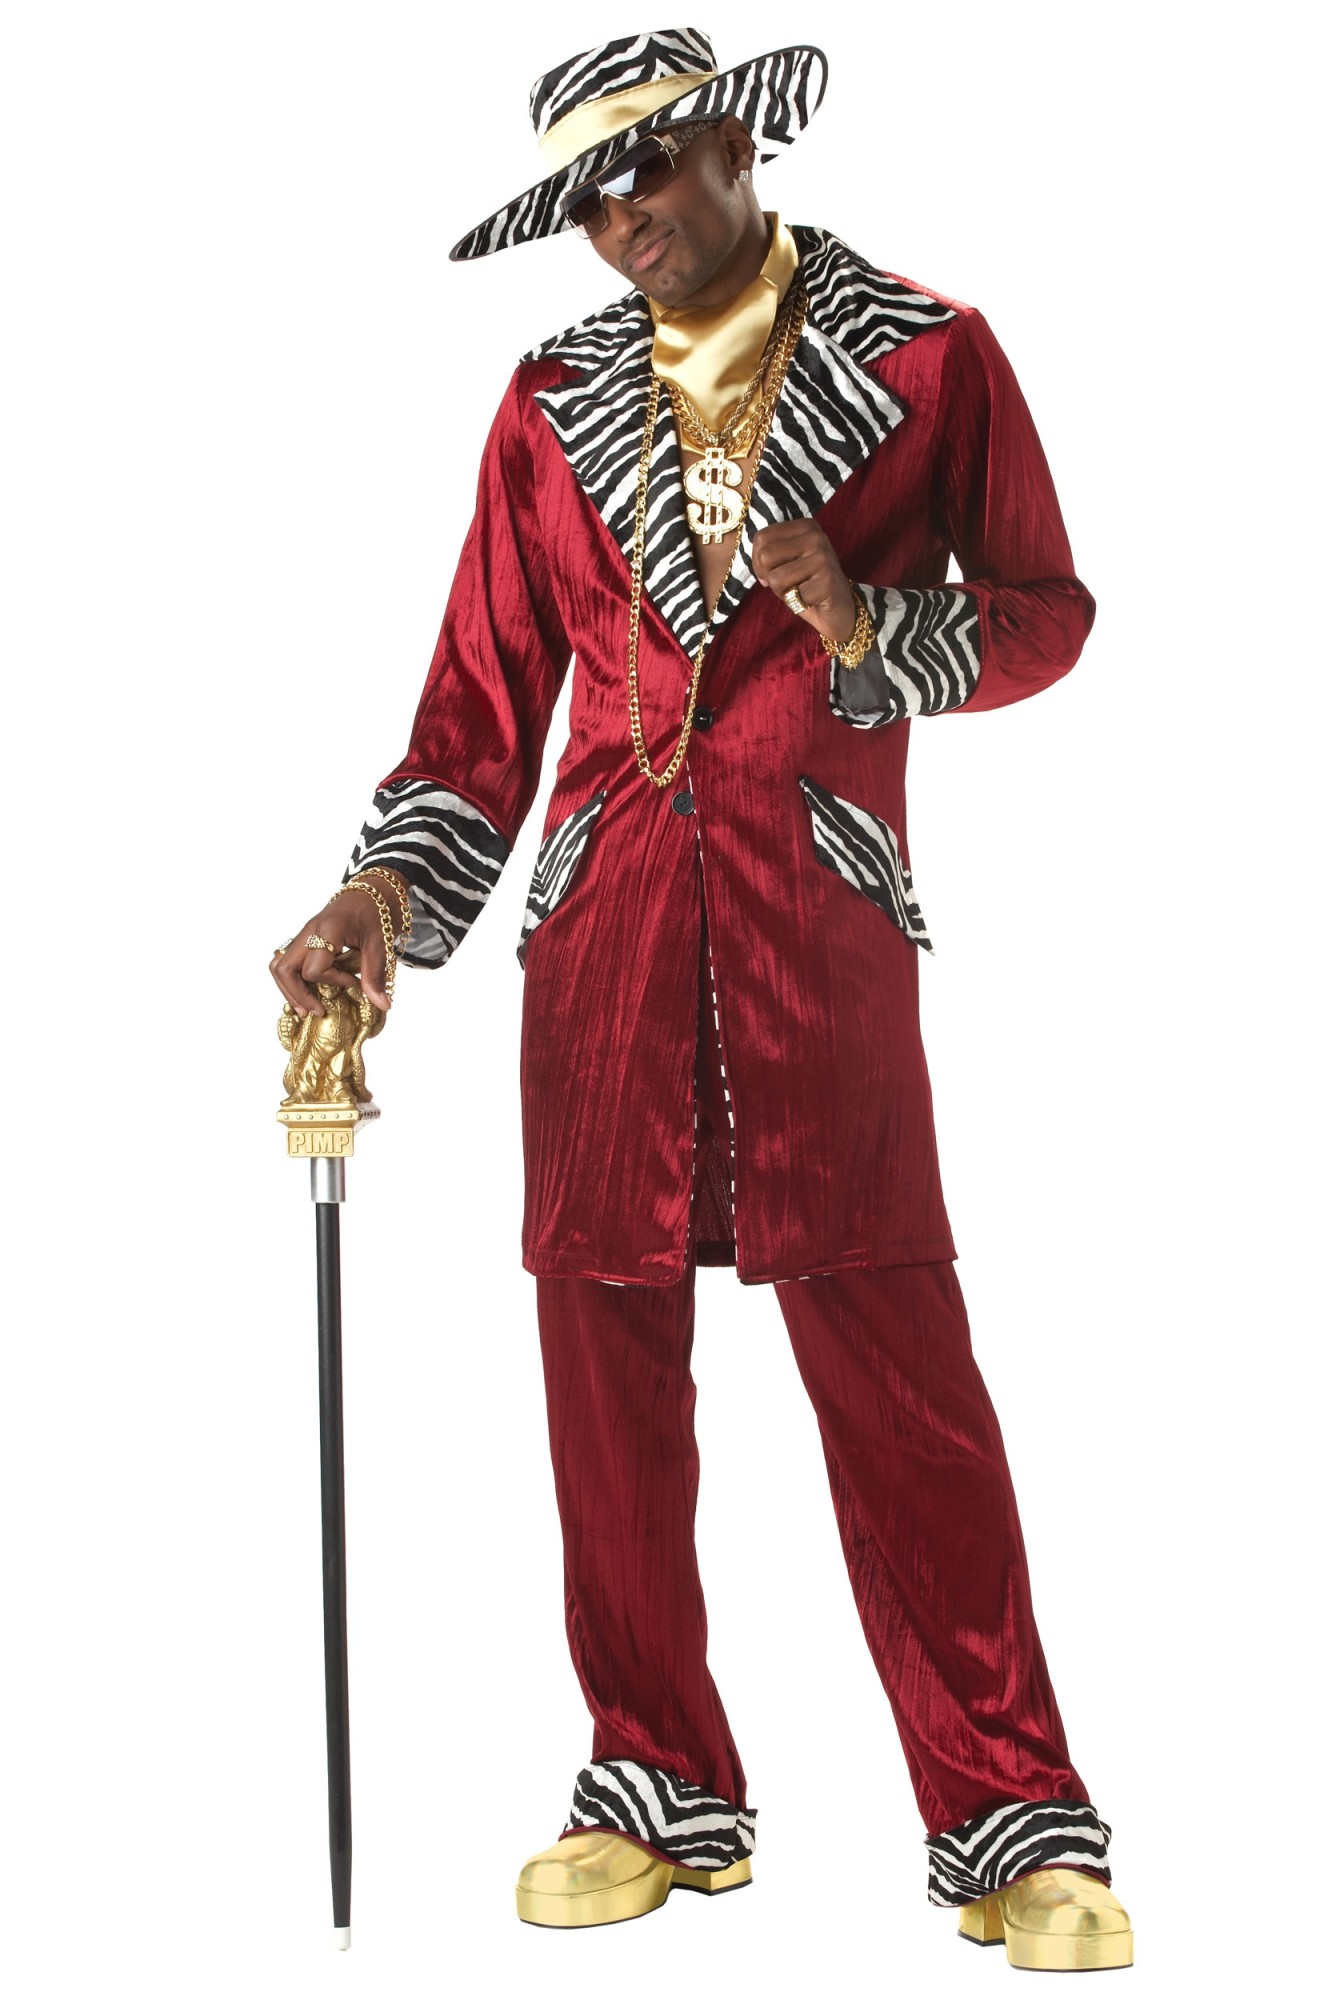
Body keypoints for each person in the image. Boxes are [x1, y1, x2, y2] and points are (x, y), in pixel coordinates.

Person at [269, 29, 1133, 1972]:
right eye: (583, 200)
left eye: (642, 175)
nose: (616, 223)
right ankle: (655, 1778)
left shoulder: (928, 358)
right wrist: (374, 901)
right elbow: (479, 716)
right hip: (602, 948)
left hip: (818, 928)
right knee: (602, 1372)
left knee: (898, 1370)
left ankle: (1011, 1810)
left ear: (736, 144)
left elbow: (1048, 614)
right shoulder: (546, 403)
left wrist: (874, 625)